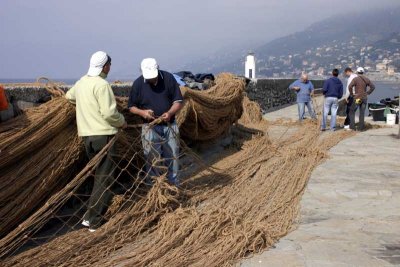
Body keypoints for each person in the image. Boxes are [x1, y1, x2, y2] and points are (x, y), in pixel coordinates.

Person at [66, 51, 127, 232]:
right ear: (104, 66)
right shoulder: (102, 85)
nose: (109, 68)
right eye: (109, 65)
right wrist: (122, 121)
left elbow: (69, 97)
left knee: (99, 177)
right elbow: (109, 113)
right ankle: (94, 221)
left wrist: (86, 106)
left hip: (87, 137)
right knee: (105, 178)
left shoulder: (81, 83)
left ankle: (88, 216)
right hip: (104, 136)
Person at [128, 58, 183, 186]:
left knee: (173, 156)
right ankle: (155, 187)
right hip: (149, 127)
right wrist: (143, 113)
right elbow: (131, 107)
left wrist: (169, 113)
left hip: (169, 126)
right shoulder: (138, 84)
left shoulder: (168, 78)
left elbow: (178, 101)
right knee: (152, 159)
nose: (151, 80)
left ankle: (174, 185)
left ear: (158, 68)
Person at [347, 67, 375, 131]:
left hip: (357, 98)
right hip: (364, 98)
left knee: (352, 111)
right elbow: (373, 87)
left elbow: (349, 86)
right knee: (362, 113)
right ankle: (361, 128)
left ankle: (352, 127)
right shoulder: (366, 79)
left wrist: (351, 93)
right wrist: (368, 93)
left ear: (357, 72)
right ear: (363, 72)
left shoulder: (355, 79)